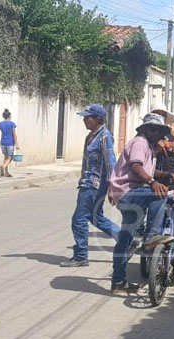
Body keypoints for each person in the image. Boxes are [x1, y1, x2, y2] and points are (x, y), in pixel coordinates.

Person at [108, 113, 173, 294]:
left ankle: (118, 282)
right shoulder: (140, 143)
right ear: (145, 130)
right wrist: (153, 183)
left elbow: (148, 170)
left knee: (125, 239)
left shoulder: (149, 147)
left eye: (159, 131)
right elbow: (137, 167)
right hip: (129, 191)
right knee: (160, 195)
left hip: (129, 193)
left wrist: (166, 175)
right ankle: (152, 237)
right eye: (153, 130)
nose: (157, 134)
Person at [60, 104, 121, 267]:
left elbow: (110, 163)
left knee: (79, 219)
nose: (84, 120)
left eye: (88, 117)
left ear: (98, 119)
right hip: (87, 182)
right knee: (95, 217)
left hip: (94, 185)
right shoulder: (91, 136)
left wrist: (112, 187)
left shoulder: (104, 137)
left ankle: (81, 256)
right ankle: (125, 238)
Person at [0, 109, 19, 177]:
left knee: (5, 157)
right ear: (9, 116)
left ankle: (6, 172)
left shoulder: (0, 124)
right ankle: (3, 166)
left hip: (2, 143)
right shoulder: (12, 124)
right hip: (10, 143)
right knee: (10, 158)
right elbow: (14, 134)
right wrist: (17, 144)